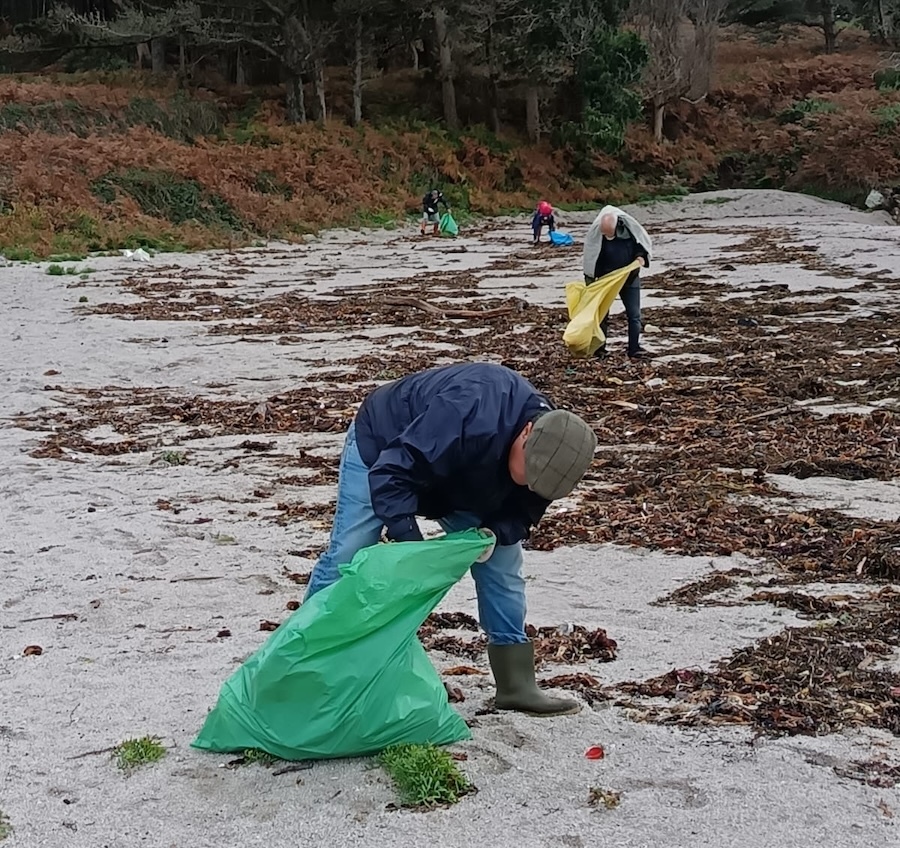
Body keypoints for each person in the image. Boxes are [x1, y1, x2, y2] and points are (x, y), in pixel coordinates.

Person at [304, 362, 598, 716]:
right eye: (528, 475)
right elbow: (392, 473)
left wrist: (494, 533)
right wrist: (411, 543)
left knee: (502, 565)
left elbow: (522, 513)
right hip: (385, 449)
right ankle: (305, 658)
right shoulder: (468, 411)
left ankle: (515, 684)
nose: (529, 486)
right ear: (526, 433)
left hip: (467, 480)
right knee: (348, 552)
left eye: (537, 486)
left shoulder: (556, 458)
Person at [582, 205, 653, 359]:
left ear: (616, 227)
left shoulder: (628, 231)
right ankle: (600, 349)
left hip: (629, 278)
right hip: (606, 280)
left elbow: (640, 247)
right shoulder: (597, 235)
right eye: (604, 232)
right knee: (602, 315)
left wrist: (640, 258)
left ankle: (634, 348)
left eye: (609, 233)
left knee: (634, 315)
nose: (607, 235)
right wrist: (591, 283)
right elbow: (591, 259)